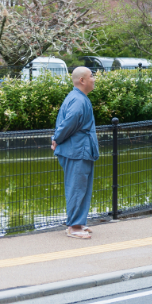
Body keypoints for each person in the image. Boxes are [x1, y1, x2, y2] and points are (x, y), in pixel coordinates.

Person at [52, 66, 99, 240]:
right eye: (91, 76)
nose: (93, 79)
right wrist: (57, 139)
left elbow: (65, 123)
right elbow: (68, 123)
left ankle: (78, 222)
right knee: (77, 188)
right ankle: (73, 226)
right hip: (76, 151)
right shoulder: (79, 100)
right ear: (82, 80)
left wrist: (56, 138)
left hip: (80, 150)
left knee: (81, 188)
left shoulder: (78, 98)